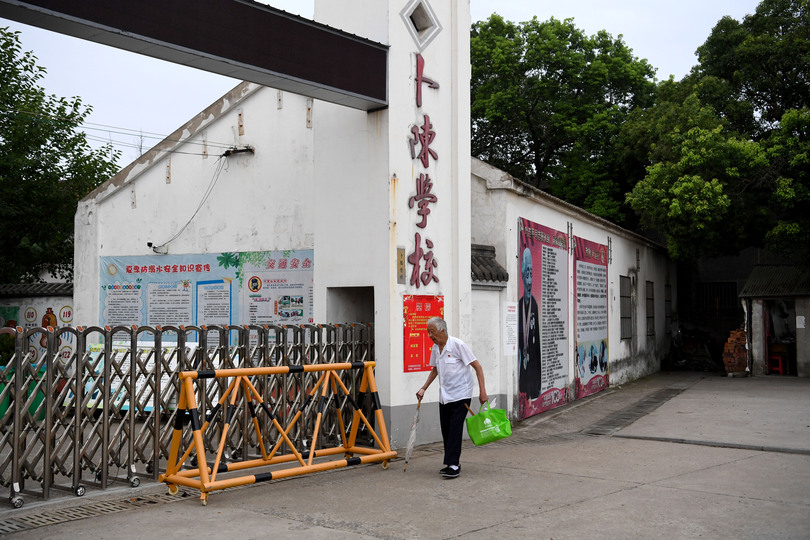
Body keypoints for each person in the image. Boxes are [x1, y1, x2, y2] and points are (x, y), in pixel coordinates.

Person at [416, 317, 488, 479]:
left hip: (461, 395)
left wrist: (482, 391)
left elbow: (477, 366)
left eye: (432, 332)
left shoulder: (458, 345)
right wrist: (423, 388)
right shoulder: (436, 348)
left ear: (442, 330)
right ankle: (451, 463)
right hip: (445, 396)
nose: (429, 335)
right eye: (428, 332)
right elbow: (435, 369)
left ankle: (453, 465)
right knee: (446, 430)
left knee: (455, 429)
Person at [518, 247, 542, 400]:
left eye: (531, 275)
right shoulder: (519, 306)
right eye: (527, 275)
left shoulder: (534, 304)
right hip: (522, 369)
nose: (529, 281)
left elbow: (537, 343)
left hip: (533, 367)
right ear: (522, 276)